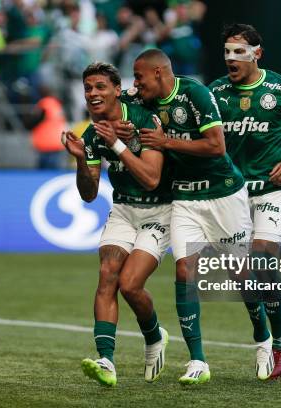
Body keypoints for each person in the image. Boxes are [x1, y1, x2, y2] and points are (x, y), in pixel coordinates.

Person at [127, 48, 253, 385]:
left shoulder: (195, 93)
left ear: (158, 72)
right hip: (184, 195)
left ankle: (268, 338)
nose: (137, 84)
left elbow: (216, 146)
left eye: (139, 77)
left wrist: (166, 141)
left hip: (223, 192)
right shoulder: (146, 102)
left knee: (241, 275)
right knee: (184, 270)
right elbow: (121, 103)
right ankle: (198, 360)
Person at [209, 23, 281, 380]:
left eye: (239, 52)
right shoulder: (215, 93)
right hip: (233, 193)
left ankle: (277, 345)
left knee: (262, 256)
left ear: (257, 54)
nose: (231, 58)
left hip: (272, 189)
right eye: (227, 51)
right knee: (242, 276)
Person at [62, 62, 171, 387]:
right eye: (88, 88)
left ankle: (154, 336)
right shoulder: (93, 133)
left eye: (99, 87)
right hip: (123, 210)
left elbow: (152, 179)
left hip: (158, 211)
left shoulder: (141, 117)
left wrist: (118, 145)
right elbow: (89, 194)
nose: (93, 94)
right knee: (107, 274)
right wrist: (82, 159)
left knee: (130, 285)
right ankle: (106, 360)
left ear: (116, 89)